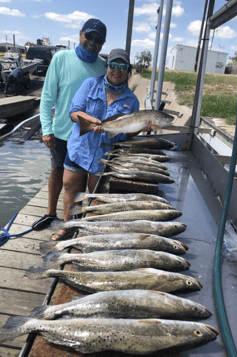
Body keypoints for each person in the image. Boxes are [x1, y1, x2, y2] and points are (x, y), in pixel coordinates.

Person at [51, 48, 150, 241]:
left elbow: (124, 136)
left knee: (95, 197)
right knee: (71, 188)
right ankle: (68, 227)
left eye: (122, 67)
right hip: (79, 148)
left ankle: (86, 233)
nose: (117, 70)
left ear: (128, 71)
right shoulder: (90, 84)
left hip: (104, 157)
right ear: (107, 67)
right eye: (113, 65)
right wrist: (91, 120)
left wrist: (141, 128)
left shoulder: (132, 100)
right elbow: (74, 112)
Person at [32, 18, 107, 231]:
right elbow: (47, 97)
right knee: (56, 171)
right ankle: (50, 213)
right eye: (89, 36)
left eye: (98, 40)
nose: (92, 42)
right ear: (80, 33)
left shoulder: (103, 67)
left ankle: (75, 220)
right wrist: (47, 129)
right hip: (62, 132)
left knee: (80, 179)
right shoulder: (61, 58)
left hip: (87, 136)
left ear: (103, 44)